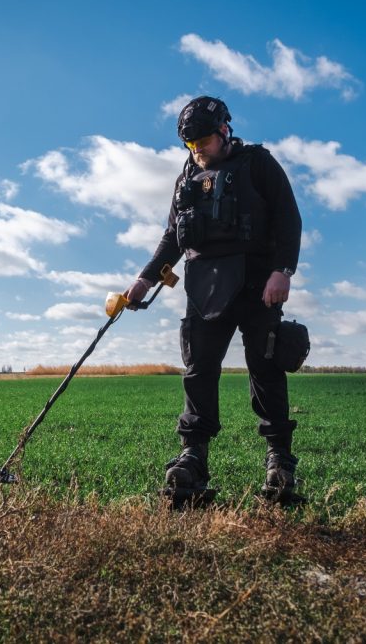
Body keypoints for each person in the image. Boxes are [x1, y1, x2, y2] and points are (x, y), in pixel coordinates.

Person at [123, 95, 303, 504]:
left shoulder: (258, 163)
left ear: (224, 130)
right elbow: (173, 235)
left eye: (203, 140)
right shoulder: (187, 177)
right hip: (204, 286)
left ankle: (279, 462)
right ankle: (193, 460)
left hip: (259, 284)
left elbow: (288, 217)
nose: (197, 149)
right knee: (199, 370)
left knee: (266, 369)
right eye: (190, 144)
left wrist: (283, 271)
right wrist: (144, 278)